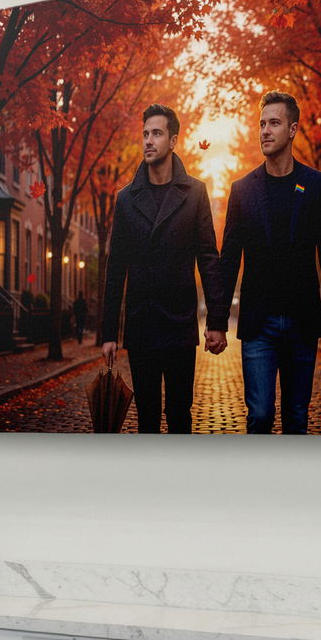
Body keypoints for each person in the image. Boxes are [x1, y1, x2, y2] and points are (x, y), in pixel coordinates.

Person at [208, 92, 321, 434]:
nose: (265, 131)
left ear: (293, 129)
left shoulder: (315, 185)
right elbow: (229, 260)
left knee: (297, 418)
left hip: (303, 320)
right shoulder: (242, 190)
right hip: (259, 324)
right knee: (259, 415)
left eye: (274, 123)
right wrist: (216, 321)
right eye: (261, 124)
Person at [99, 105, 222, 433]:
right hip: (141, 324)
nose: (148, 141)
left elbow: (208, 258)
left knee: (181, 413)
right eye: (145, 134)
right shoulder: (126, 199)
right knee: (148, 417)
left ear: (173, 140)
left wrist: (217, 321)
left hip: (180, 323)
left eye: (156, 133)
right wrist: (109, 332)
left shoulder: (195, 193)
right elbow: (115, 268)